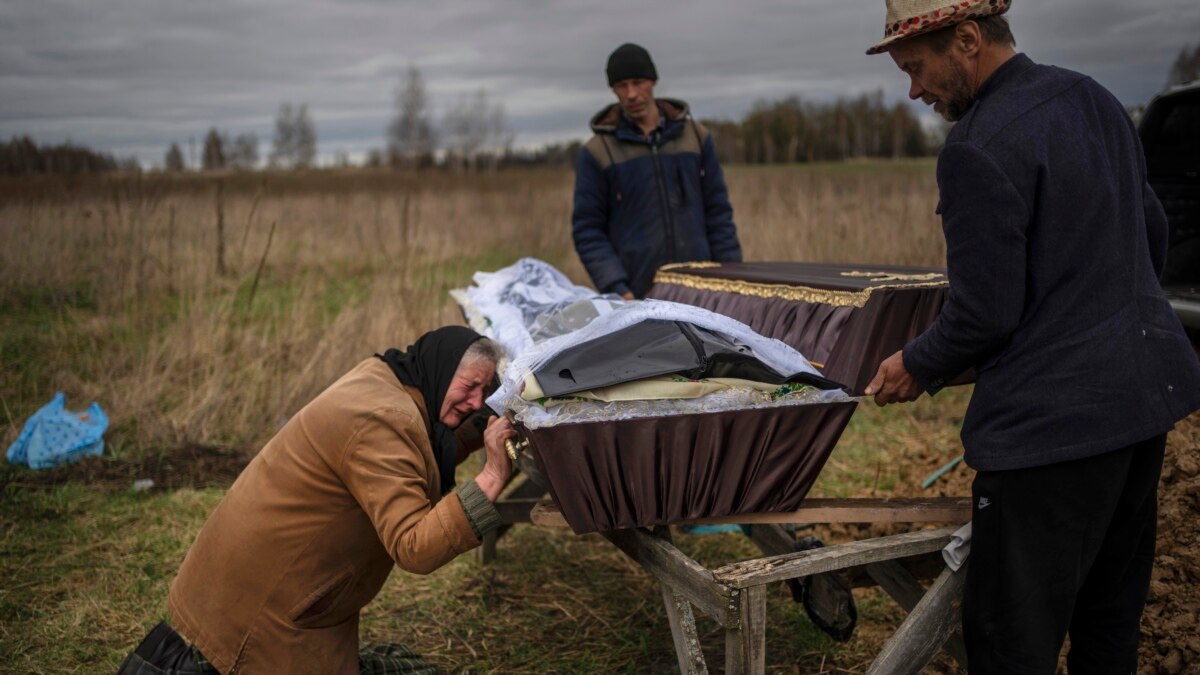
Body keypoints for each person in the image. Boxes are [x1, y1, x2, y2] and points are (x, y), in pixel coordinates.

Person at [862, 1, 1200, 672]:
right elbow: (1151, 235)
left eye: (918, 69)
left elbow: (984, 313)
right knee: (1110, 621)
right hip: (1141, 408)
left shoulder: (978, 146)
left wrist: (916, 363)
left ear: (966, 39)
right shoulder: (1096, 99)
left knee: (1011, 640)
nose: (914, 90)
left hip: (1052, 436)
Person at [119, 326, 515, 674]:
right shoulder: (385, 421)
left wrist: (484, 424)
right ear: (442, 369)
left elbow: (424, 452)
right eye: (469, 387)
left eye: (487, 392)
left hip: (244, 592)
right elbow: (414, 547)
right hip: (263, 616)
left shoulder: (384, 379)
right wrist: (492, 476)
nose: (477, 402)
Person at [572, 42, 743, 300]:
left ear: (653, 81)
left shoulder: (696, 137)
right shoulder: (597, 152)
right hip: (639, 296)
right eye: (621, 86)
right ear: (613, 90)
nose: (631, 94)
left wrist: (732, 278)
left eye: (638, 82)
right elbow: (587, 229)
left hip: (703, 290)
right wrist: (618, 288)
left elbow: (718, 212)